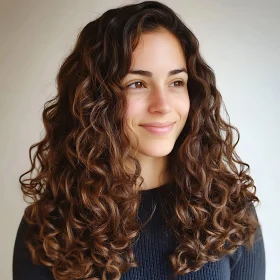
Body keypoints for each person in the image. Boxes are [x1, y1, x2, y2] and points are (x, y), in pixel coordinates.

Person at [12, 1, 266, 280]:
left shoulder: (229, 210)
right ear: (95, 101)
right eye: (137, 84)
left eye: (176, 82)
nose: (163, 105)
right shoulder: (49, 226)